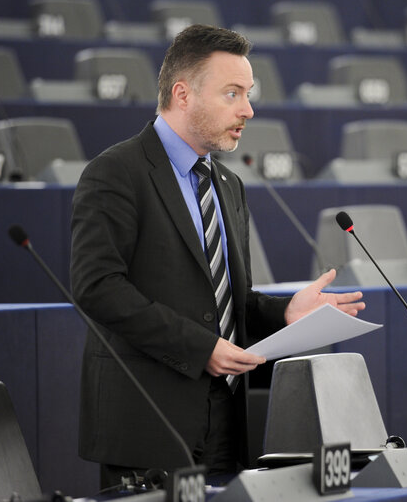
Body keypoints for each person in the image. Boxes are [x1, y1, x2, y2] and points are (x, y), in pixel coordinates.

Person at [69, 24, 364, 489]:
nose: (248, 109)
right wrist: (200, 348)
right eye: (233, 94)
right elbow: (97, 288)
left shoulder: (229, 185)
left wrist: (284, 311)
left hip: (228, 422)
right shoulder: (115, 173)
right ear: (183, 94)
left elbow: (227, 300)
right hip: (148, 427)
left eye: (248, 94)